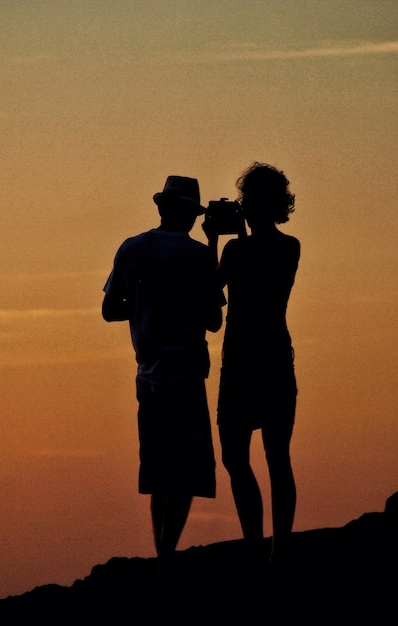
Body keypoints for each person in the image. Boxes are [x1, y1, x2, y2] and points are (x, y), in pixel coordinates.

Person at [102, 175, 225, 575]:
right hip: (187, 373)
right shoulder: (200, 256)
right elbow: (213, 320)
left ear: (160, 208)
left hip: (148, 375)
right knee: (186, 471)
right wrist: (213, 246)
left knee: (158, 469)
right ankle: (167, 557)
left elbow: (109, 309)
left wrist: (144, 307)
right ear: (192, 215)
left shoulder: (132, 248)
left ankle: (162, 556)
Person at [204, 162, 300, 569]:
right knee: (275, 456)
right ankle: (276, 548)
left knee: (239, 458)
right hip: (275, 359)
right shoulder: (289, 246)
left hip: (243, 362)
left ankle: (257, 547)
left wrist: (212, 241)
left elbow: (211, 297)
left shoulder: (237, 250)